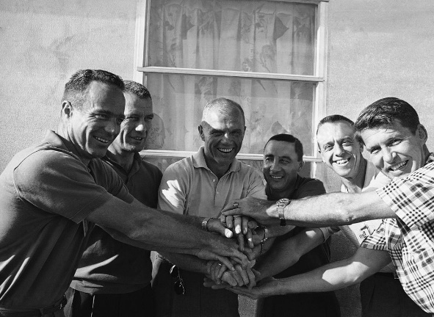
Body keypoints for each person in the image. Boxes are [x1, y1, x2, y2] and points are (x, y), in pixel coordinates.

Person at [0, 69, 246, 317]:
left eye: (118, 119)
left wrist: (205, 224)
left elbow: (139, 215)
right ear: (67, 110)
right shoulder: (47, 164)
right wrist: (216, 246)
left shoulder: (94, 167)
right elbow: (136, 225)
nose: (111, 129)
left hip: (52, 308)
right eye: (102, 115)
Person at [220, 97, 434, 317]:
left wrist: (268, 209)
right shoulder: (388, 211)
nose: (388, 157)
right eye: (377, 149)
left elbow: (348, 210)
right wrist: (269, 285)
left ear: (421, 134)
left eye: (394, 142)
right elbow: (353, 268)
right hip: (409, 301)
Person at [155, 97, 271, 316]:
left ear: (244, 132)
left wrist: (249, 222)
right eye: (217, 132)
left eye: (235, 132)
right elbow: (165, 237)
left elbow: (259, 224)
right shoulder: (178, 174)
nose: (227, 141)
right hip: (176, 277)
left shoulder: (252, 177)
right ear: (201, 132)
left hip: (225, 283)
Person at [305, 115, 428, 316]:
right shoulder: (339, 202)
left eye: (345, 142)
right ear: (321, 154)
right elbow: (300, 243)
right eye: (328, 146)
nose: (338, 152)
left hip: (423, 285)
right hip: (377, 288)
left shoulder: (392, 178)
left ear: (360, 145)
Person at [63, 80, 162, 316]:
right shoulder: (85, 171)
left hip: (139, 294)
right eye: (132, 118)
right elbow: (132, 227)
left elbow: (160, 229)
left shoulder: (153, 175)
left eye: (148, 118)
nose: (142, 128)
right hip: (88, 294)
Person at [242, 133, 341, 316]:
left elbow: (293, 221)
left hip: (313, 298)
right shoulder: (258, 194)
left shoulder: (312, 188)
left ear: (300, 165)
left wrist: (263, 226)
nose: (274, 168)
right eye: (269, 159)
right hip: (269, 297)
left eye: (284, 161)